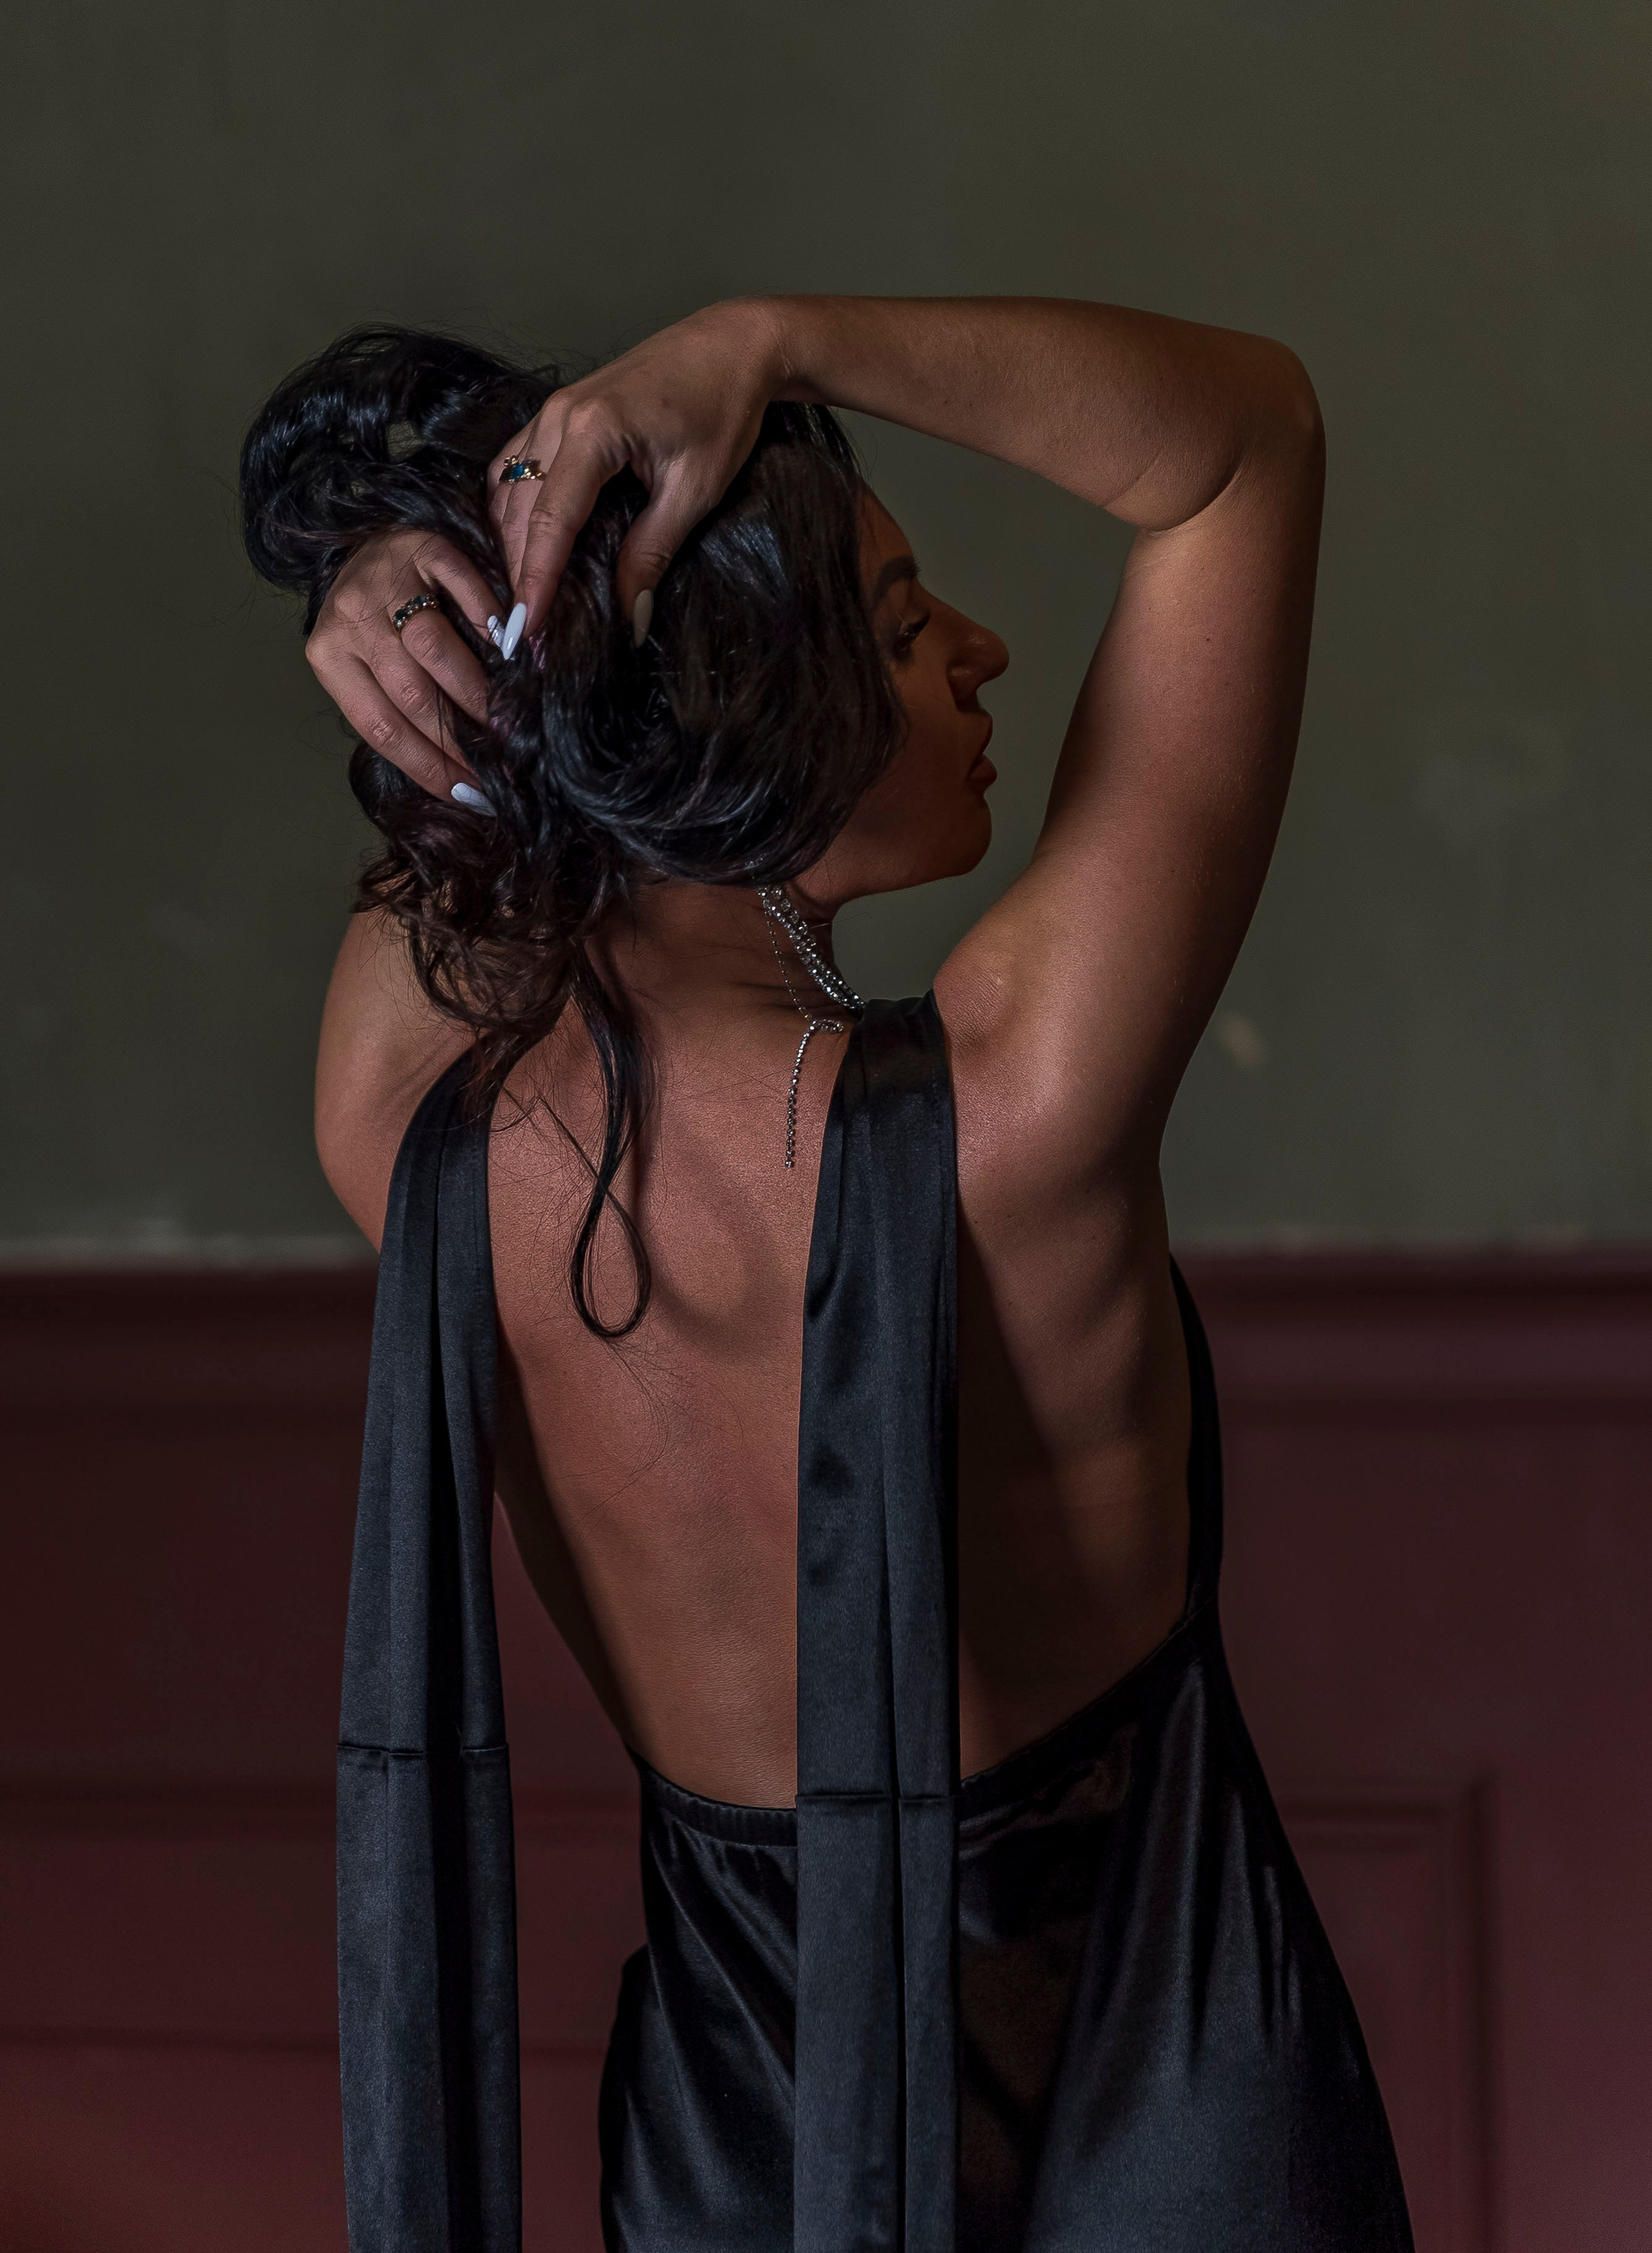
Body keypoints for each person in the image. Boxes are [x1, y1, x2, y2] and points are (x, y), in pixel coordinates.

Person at [243, 298, 1412, 2251]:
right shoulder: (1019, 1112)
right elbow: (1244, 442)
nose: (981, 649)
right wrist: (780, 341)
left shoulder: (401, 1130)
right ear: (736, 712)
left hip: (737, 2121)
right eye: (897, 620)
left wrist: (420, 593)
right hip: (1171, 2062)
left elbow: (480, 780)